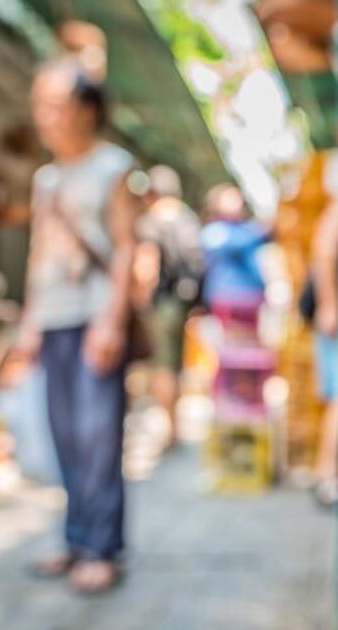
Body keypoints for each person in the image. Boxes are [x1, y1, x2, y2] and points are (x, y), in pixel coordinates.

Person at [11, 57, 141, 594]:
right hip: (54, 319)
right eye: (39, 105)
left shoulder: (112, 168)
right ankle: (74, 536)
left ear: (87, 110)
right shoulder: (46, 178)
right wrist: (28, 323)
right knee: (63, 433)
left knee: (97, 435)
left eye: (56, 106)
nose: (45, 117)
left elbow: (128, 247)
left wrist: (112, 321)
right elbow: (38, 254)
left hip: (94, 319)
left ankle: (100, 546)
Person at [133, 165, 205, 446]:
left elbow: (146, 265)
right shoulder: (188, 218)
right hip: (184, 302)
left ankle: (170, 429)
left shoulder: (152, 221)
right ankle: (174, 427)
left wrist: (138, 301)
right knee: (175, 365)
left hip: (161, 302)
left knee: (162, 365)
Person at [310, 149, 338, 508]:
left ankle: (332, 473)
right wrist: (330, 305)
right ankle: (327, 475)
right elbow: (324, 255)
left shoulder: (337, 210)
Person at [199, 184, 268, 309]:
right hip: (228, 298)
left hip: (252, 298)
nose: (236, 202)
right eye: (230, 198)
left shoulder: (245, 229)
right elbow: (237, 242)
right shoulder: (214, 231)